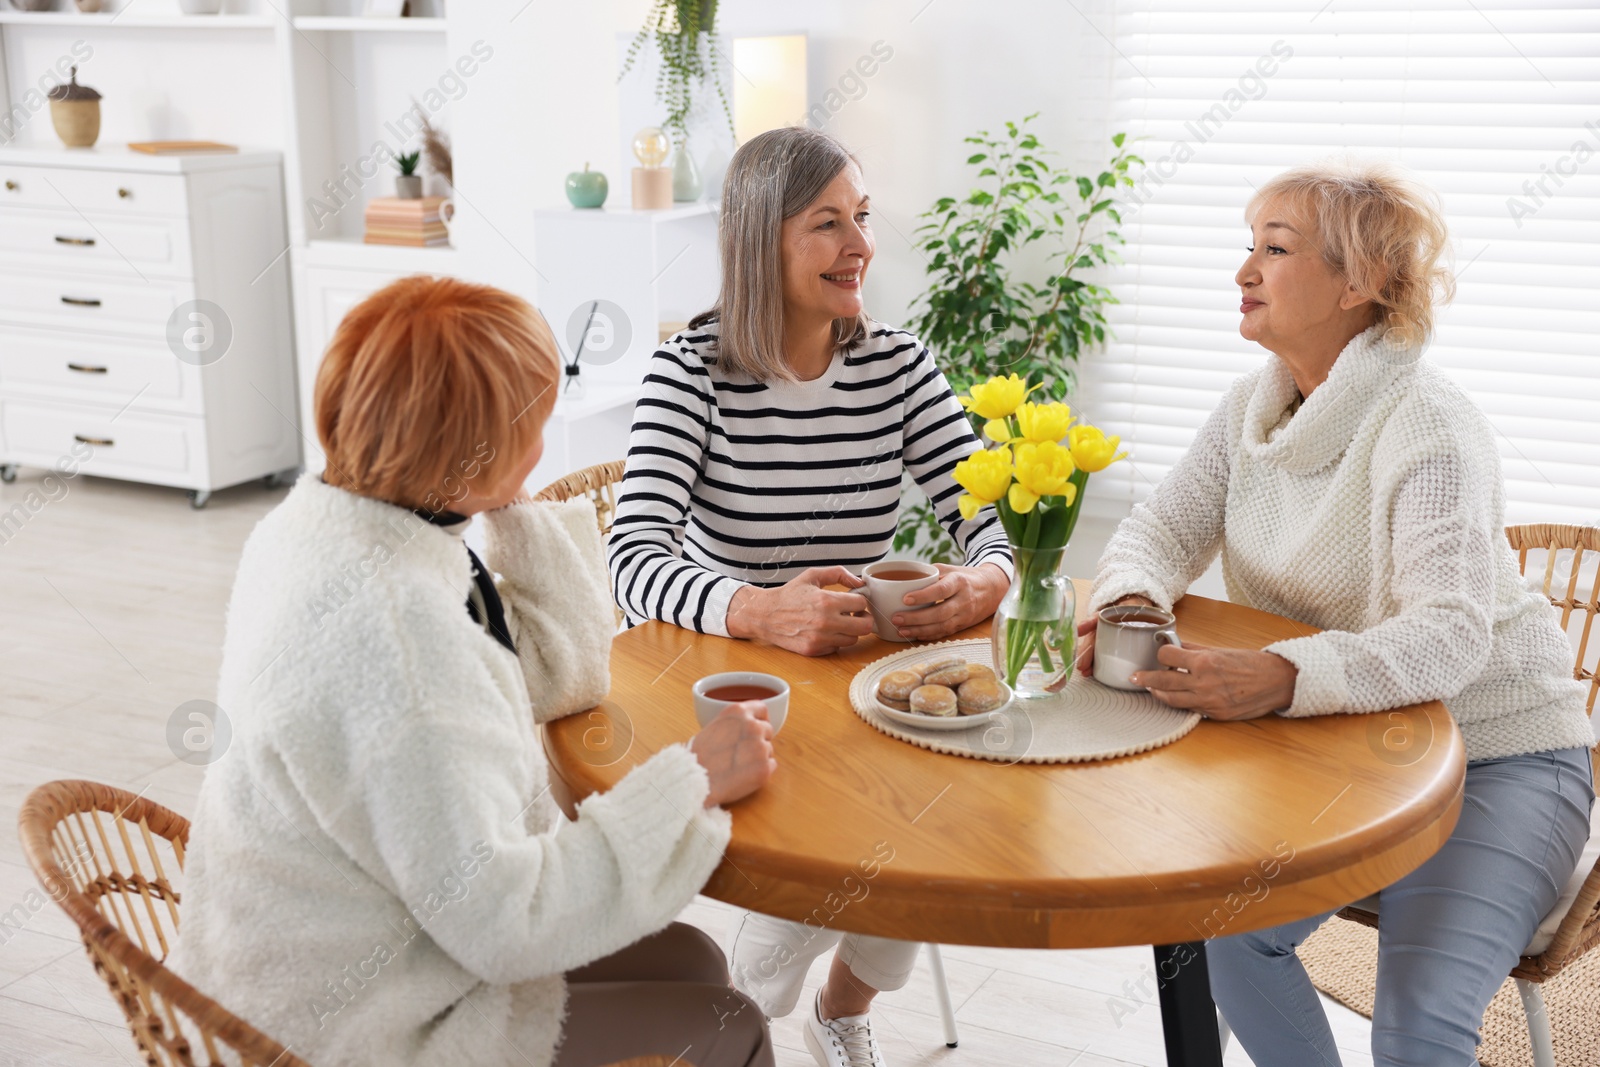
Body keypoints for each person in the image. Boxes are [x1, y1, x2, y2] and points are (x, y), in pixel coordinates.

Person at [169, 276, 779, 1067]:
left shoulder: (331, 525)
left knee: (694, 962)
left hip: (317, 955)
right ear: (466, 449)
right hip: (352, 1028)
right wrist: (687, 782)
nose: (546, 436)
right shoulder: (402, 643)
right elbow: (503, 923)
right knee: (728, 1021)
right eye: (534, 421)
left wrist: (496, 495)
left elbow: (558, 675)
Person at [1077, 162, 1595, 1066]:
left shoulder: (1428, 423)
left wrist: (1282, 674)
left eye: (1274, 250)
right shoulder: (1254, 404)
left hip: (1502, 758)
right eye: (1249, 247)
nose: (1244, 271)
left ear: (1360, 283)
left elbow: (1450, 632)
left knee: (1419, 1019)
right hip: (1348, 749)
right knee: (1230, 934)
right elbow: (1159, 528)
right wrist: (1129, 599)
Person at [606, 127, 1013, 1066]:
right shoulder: (691, 372)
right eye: (827, 223)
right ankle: (744, 1020)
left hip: (864, 681)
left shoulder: (898, 366)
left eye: (861, 218)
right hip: (733, 683)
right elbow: (631, 557)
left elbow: (993, 520)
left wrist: (982, 579)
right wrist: (757, 606)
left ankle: (837, 1007)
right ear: (761, 239)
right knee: (901, 828)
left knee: (943, 807)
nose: (860, 244)